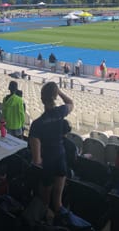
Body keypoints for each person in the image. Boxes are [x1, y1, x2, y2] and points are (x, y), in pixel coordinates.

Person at [28, 82, 74, 223]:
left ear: (42, 99)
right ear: (54, 96)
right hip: (60, 158)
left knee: (45, 204)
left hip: (47, 164)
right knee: (58, 203)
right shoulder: (61, 112)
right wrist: (59, 92)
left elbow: (36, 160)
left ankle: (46, 221)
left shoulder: (36, 125)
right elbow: (71, 102)